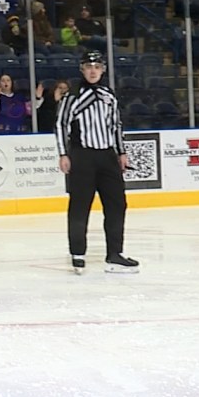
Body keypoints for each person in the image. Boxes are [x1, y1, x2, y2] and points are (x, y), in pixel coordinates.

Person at [54, 51, 139, 275]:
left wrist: (121, 152)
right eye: (89, 66)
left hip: (107, 156)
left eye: (97, 66)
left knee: (117, 203)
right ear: (82, 69)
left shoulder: (109, 95)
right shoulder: (72, 95)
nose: (93, 71)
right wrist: (63, 153)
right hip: (82, 156)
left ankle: (115, 253)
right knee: (80, 205)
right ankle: (78, 254)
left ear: (103, 70)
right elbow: (61, 125)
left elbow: (116, 125)